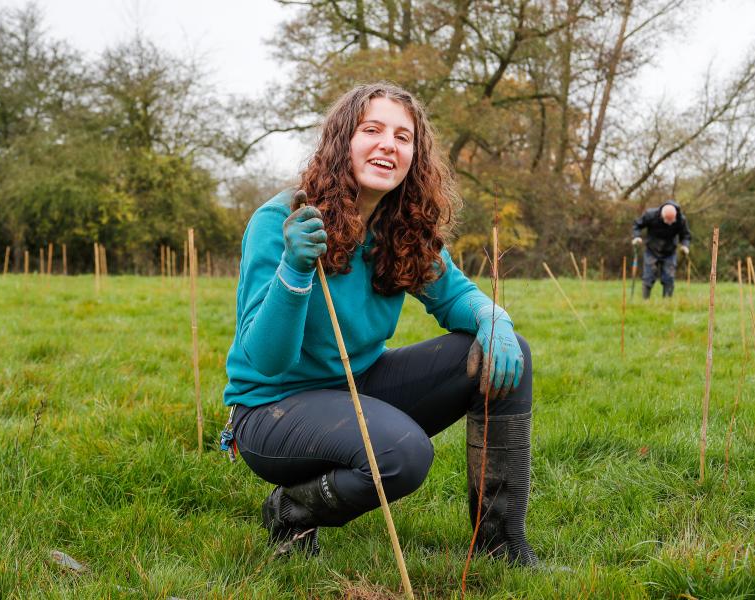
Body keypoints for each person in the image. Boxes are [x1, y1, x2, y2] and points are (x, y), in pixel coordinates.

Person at [222, 82, 538, 566]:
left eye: (403, 136)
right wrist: (295, 269)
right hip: (272, 410)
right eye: (372, 130)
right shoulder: (283, 220)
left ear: (416, 154)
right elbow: (265, 360)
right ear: (342, 141)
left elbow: (455, 296)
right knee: (403, 455)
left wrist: (492, 317)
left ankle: (500, 545)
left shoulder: (401, 224)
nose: (388, 144)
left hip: (358, 384)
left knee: (501, 349)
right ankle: (290, 511)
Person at [631, 200, 692, 299]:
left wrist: (685, 245)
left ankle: (667, 302)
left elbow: (686, 235)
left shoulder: (681, 220)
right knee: (648, 276)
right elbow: (637, 225)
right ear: (661, 215)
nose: (669, 223)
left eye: (672, 221)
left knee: (669, 277)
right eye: (667, 220)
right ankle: (645, 301)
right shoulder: (650, 215)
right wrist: (636, 237)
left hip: (670, 251)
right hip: (651, 250)